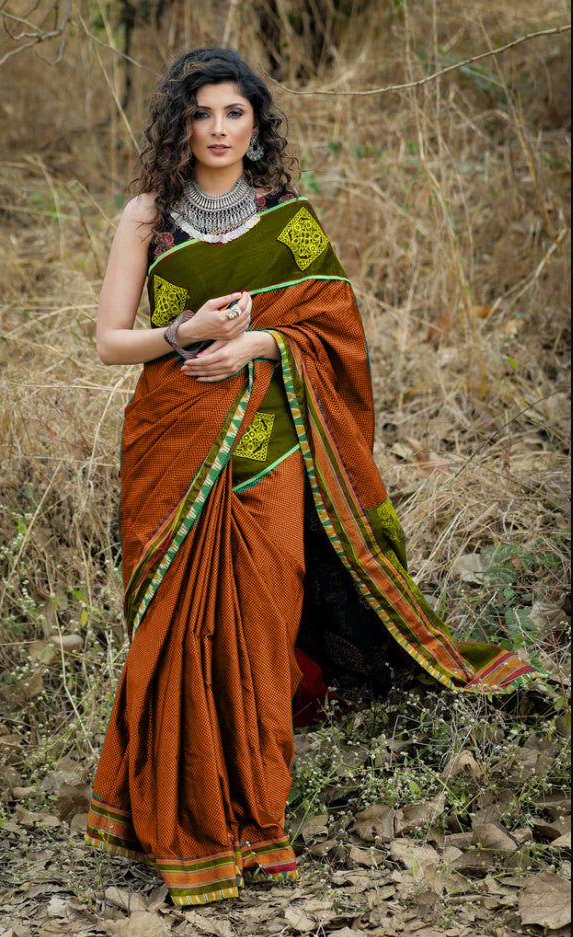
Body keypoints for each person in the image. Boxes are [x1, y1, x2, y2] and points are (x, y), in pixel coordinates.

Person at [84, 47, 536, 908]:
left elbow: (337, 332)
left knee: (256, 628)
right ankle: (171, 817)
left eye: (234, 114)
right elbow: (110, 341)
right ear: (179, 123)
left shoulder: (287, 218)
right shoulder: (146, 216)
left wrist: (258, 343)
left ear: (256, 125)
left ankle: (256, 822)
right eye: (201, 114)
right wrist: (184, 333)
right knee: (173, 635)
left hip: (274, 446)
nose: (217, 130)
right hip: (174, 448)